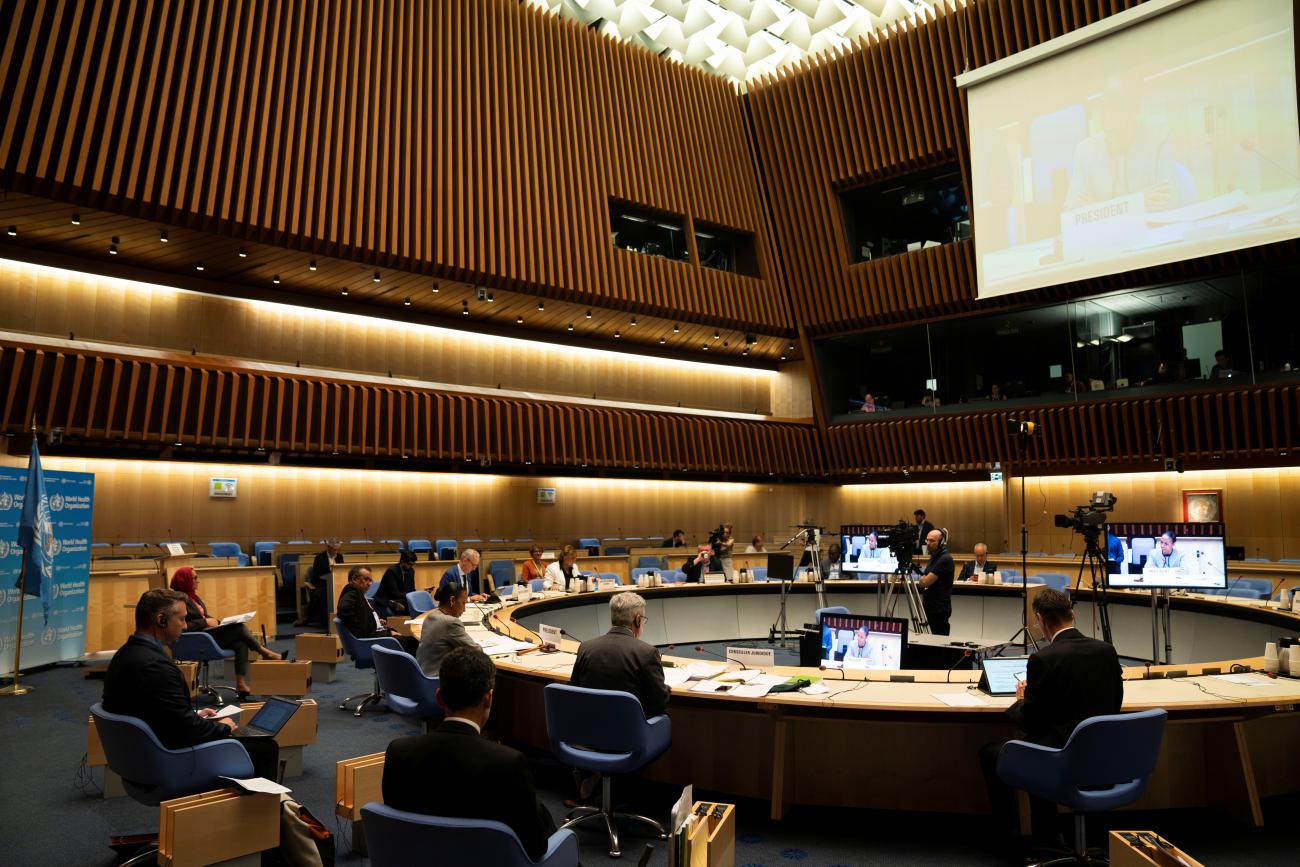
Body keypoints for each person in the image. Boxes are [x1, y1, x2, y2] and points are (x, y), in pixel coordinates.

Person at [382, 647, 556, 861]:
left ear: (439, 698)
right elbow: (536, 846)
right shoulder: (508, 763)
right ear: (488, 699)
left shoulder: (398, 752)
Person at [980, 589, 1123, 845]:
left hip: (1061, 759)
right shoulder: (1107, 651)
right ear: (1072, 614)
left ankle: (1030, 836)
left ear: (1040, 620)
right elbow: (1115, 703)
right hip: (1104, 756)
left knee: (996, 752)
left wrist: (1021, 700)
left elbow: (1030, 721)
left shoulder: (1043, 659)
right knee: (1043, 742)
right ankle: (1090, 837)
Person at [103, 589, 280, 780]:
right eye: (182, 619)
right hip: (165, 758)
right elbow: (187, 730)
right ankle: (260, 808)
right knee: (264, 747)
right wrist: (223, 728)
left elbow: (152, 709)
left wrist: (195, 715)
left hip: (136, 752)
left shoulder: (124, 654)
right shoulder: (156, 666)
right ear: (162, 620)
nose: (186, 626)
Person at [170, 566, 281, 699]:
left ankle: (241, 684)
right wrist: (205, 623)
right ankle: (265, 652)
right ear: (184, 580)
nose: (197, 581)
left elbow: (204, 617)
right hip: (195, 639)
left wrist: (219, 622)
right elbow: (182, 625)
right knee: (239, 629)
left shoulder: (193, 597)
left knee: (240, 643)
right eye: (194, 578)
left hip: (206, 634)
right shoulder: (176, 600)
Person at [571, 591, 669, 719]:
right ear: (638, 620)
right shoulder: (647, 653)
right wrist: (666, 689)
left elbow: (574, 689)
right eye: (643, 620)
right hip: (632, 732)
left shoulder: (585, 648)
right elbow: (659, 703)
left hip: (590, 728)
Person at [336, 565, 418, 653]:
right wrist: (379, 631)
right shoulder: (352, 590)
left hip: (377, 635)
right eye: (366, 579)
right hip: (372, 641)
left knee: (409, 639)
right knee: (415, 643)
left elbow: (361, 615)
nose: (369, 583)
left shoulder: (359, 593)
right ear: (355, 579)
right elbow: (344, 609)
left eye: (370, 580)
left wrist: (376, 621)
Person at [416, 581, 478, 676]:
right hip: (438, 682)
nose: (464, 609)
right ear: (452, 600)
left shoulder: (430, 616)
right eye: (463, 603)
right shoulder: (451, 623)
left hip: (421, 676)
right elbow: (476, 651)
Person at [915, 530, 954, 635]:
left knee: (939, 643)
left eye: (932, 541)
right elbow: (925, 578)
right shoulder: (934, 556)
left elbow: (925, 582)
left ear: (941, 542)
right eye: (927, 540)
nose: (928, 543)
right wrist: (924, 578)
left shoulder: (944, 559)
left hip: (939, 609)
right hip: (931, 607)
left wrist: (923, 579)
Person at [296, 538, 342, 627]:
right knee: (322, 594)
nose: (335, 552)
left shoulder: (339, 557)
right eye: (334, 549)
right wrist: (329, 575)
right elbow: (316, 576)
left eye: (337, 550)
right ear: (328, 547)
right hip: (322, 584)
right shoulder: (319, 558)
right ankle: (318, 620)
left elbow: (341, 571)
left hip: (336, 584)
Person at [373, 550, 418, 618]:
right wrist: (410, 595)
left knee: (415, 606)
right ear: (402, 561)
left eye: (413, 564)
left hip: (400, 599)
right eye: (409, 564)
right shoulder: (392, 571)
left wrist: (417, 593)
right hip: (386, 600)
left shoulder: (411, 571)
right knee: (408, 609)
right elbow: (395, 593)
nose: (411, 566)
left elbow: (411, 589)